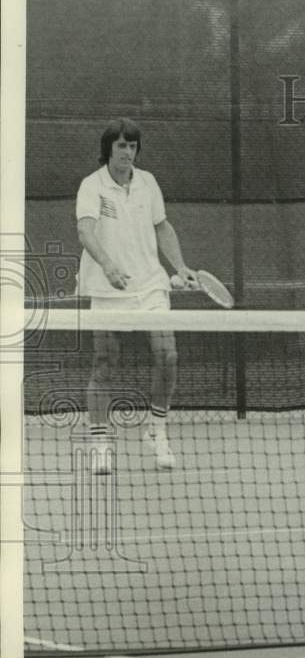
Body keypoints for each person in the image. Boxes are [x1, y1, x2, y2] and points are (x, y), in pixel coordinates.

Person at [76, 118, 197, 472]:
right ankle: (100, 441)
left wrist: (180, 267)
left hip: (150, 286)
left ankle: (157, 429)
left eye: (132, 146)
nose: (127, 152)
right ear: (108, 149)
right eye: (121, 146)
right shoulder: (91, 186)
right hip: (107, 288)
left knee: (167, 356)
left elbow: (162, 226)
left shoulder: (148, 183)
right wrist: (109, 266)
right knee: (105, 363)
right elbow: (86, 230)